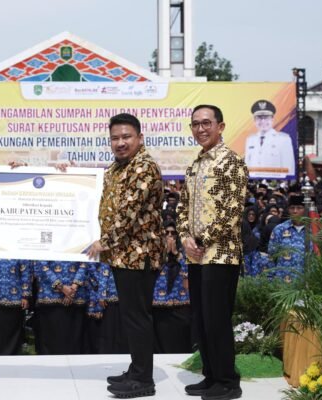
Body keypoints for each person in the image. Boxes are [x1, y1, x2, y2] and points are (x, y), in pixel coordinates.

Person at [87, 113, 164, 399]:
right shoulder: (117, 168)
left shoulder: (143, 167)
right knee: (131, 316)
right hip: (124, 256)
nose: (120, 143)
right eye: (115, 138)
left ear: (140, 138)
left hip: (139, 256)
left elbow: (128, 213)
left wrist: (103, 242)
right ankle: (136, 369)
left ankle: (143, 379)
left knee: (137, 317)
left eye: (126, 137)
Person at [177, 104, 247, 400]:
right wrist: (184, 237)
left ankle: (228, 381)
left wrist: (201, 239)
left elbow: (233, 210)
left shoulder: (231, 161)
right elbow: (182, 206)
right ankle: (210, 376)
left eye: (206, 123)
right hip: (196, 255)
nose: (201, 129)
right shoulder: (195, 164)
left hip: (221, 255)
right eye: (195, 124)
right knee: (202, 318)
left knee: (217, 319)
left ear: (221, 126)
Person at [152, 222, 191, 354]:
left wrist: (175, 254)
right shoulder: (155, 252)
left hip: (180, 302)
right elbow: (152, 269)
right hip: (159, 303)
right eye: (166, 233)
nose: (170, 236)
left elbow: (188, 271)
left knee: (180, 338)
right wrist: (164, 254)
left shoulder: (185, 252)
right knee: (161, 338)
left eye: (173, 233)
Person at [243, 100, 295, 180]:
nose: (263, 121)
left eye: (266, 117)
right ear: (254, 120)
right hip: (253, 182)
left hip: (275, 182)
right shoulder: (250, 140)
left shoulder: (284, 139)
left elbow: (289, 168)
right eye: (259, 118)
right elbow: (247, 165)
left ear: (272, 119)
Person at [267, 196, 307, 283]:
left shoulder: (313, 230)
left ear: (305, 209)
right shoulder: (279, 229)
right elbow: (272, 256)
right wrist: (270, 279)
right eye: (292, 208)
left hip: (307, 282)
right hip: (283, 281)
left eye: (299, 208)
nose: (295, 211)